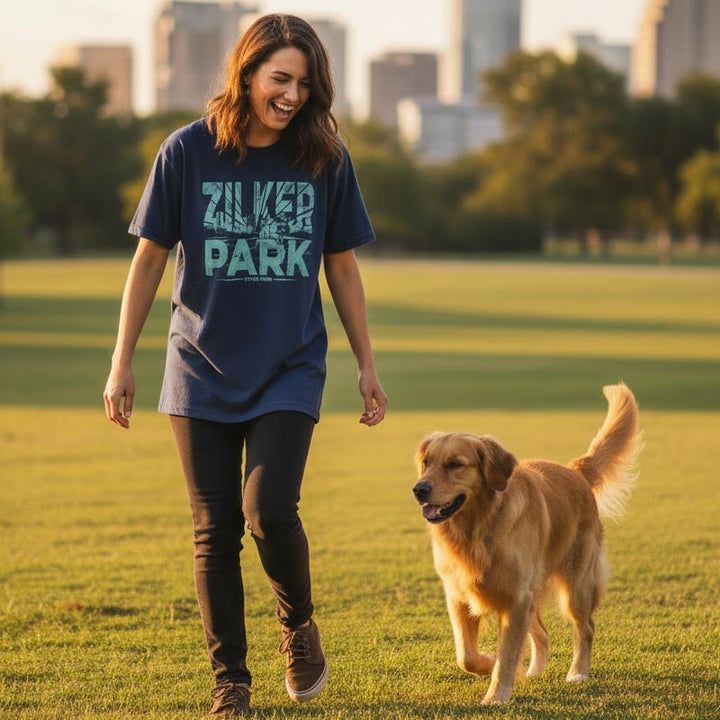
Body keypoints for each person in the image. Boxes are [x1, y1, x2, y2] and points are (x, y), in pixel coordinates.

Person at [103, 13, 387, 718]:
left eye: (305, 82)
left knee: (270, 511)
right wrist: (121, 364)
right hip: (197, 366)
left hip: (290, 364)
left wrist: (367, 365)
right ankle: (231, 683)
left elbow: (343, 271)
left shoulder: (324, 156)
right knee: (215, 530)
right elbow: (148, 262)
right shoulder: (187, 152)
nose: (292, 95)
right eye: (280, 79)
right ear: (248, 73)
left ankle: (297, 627)